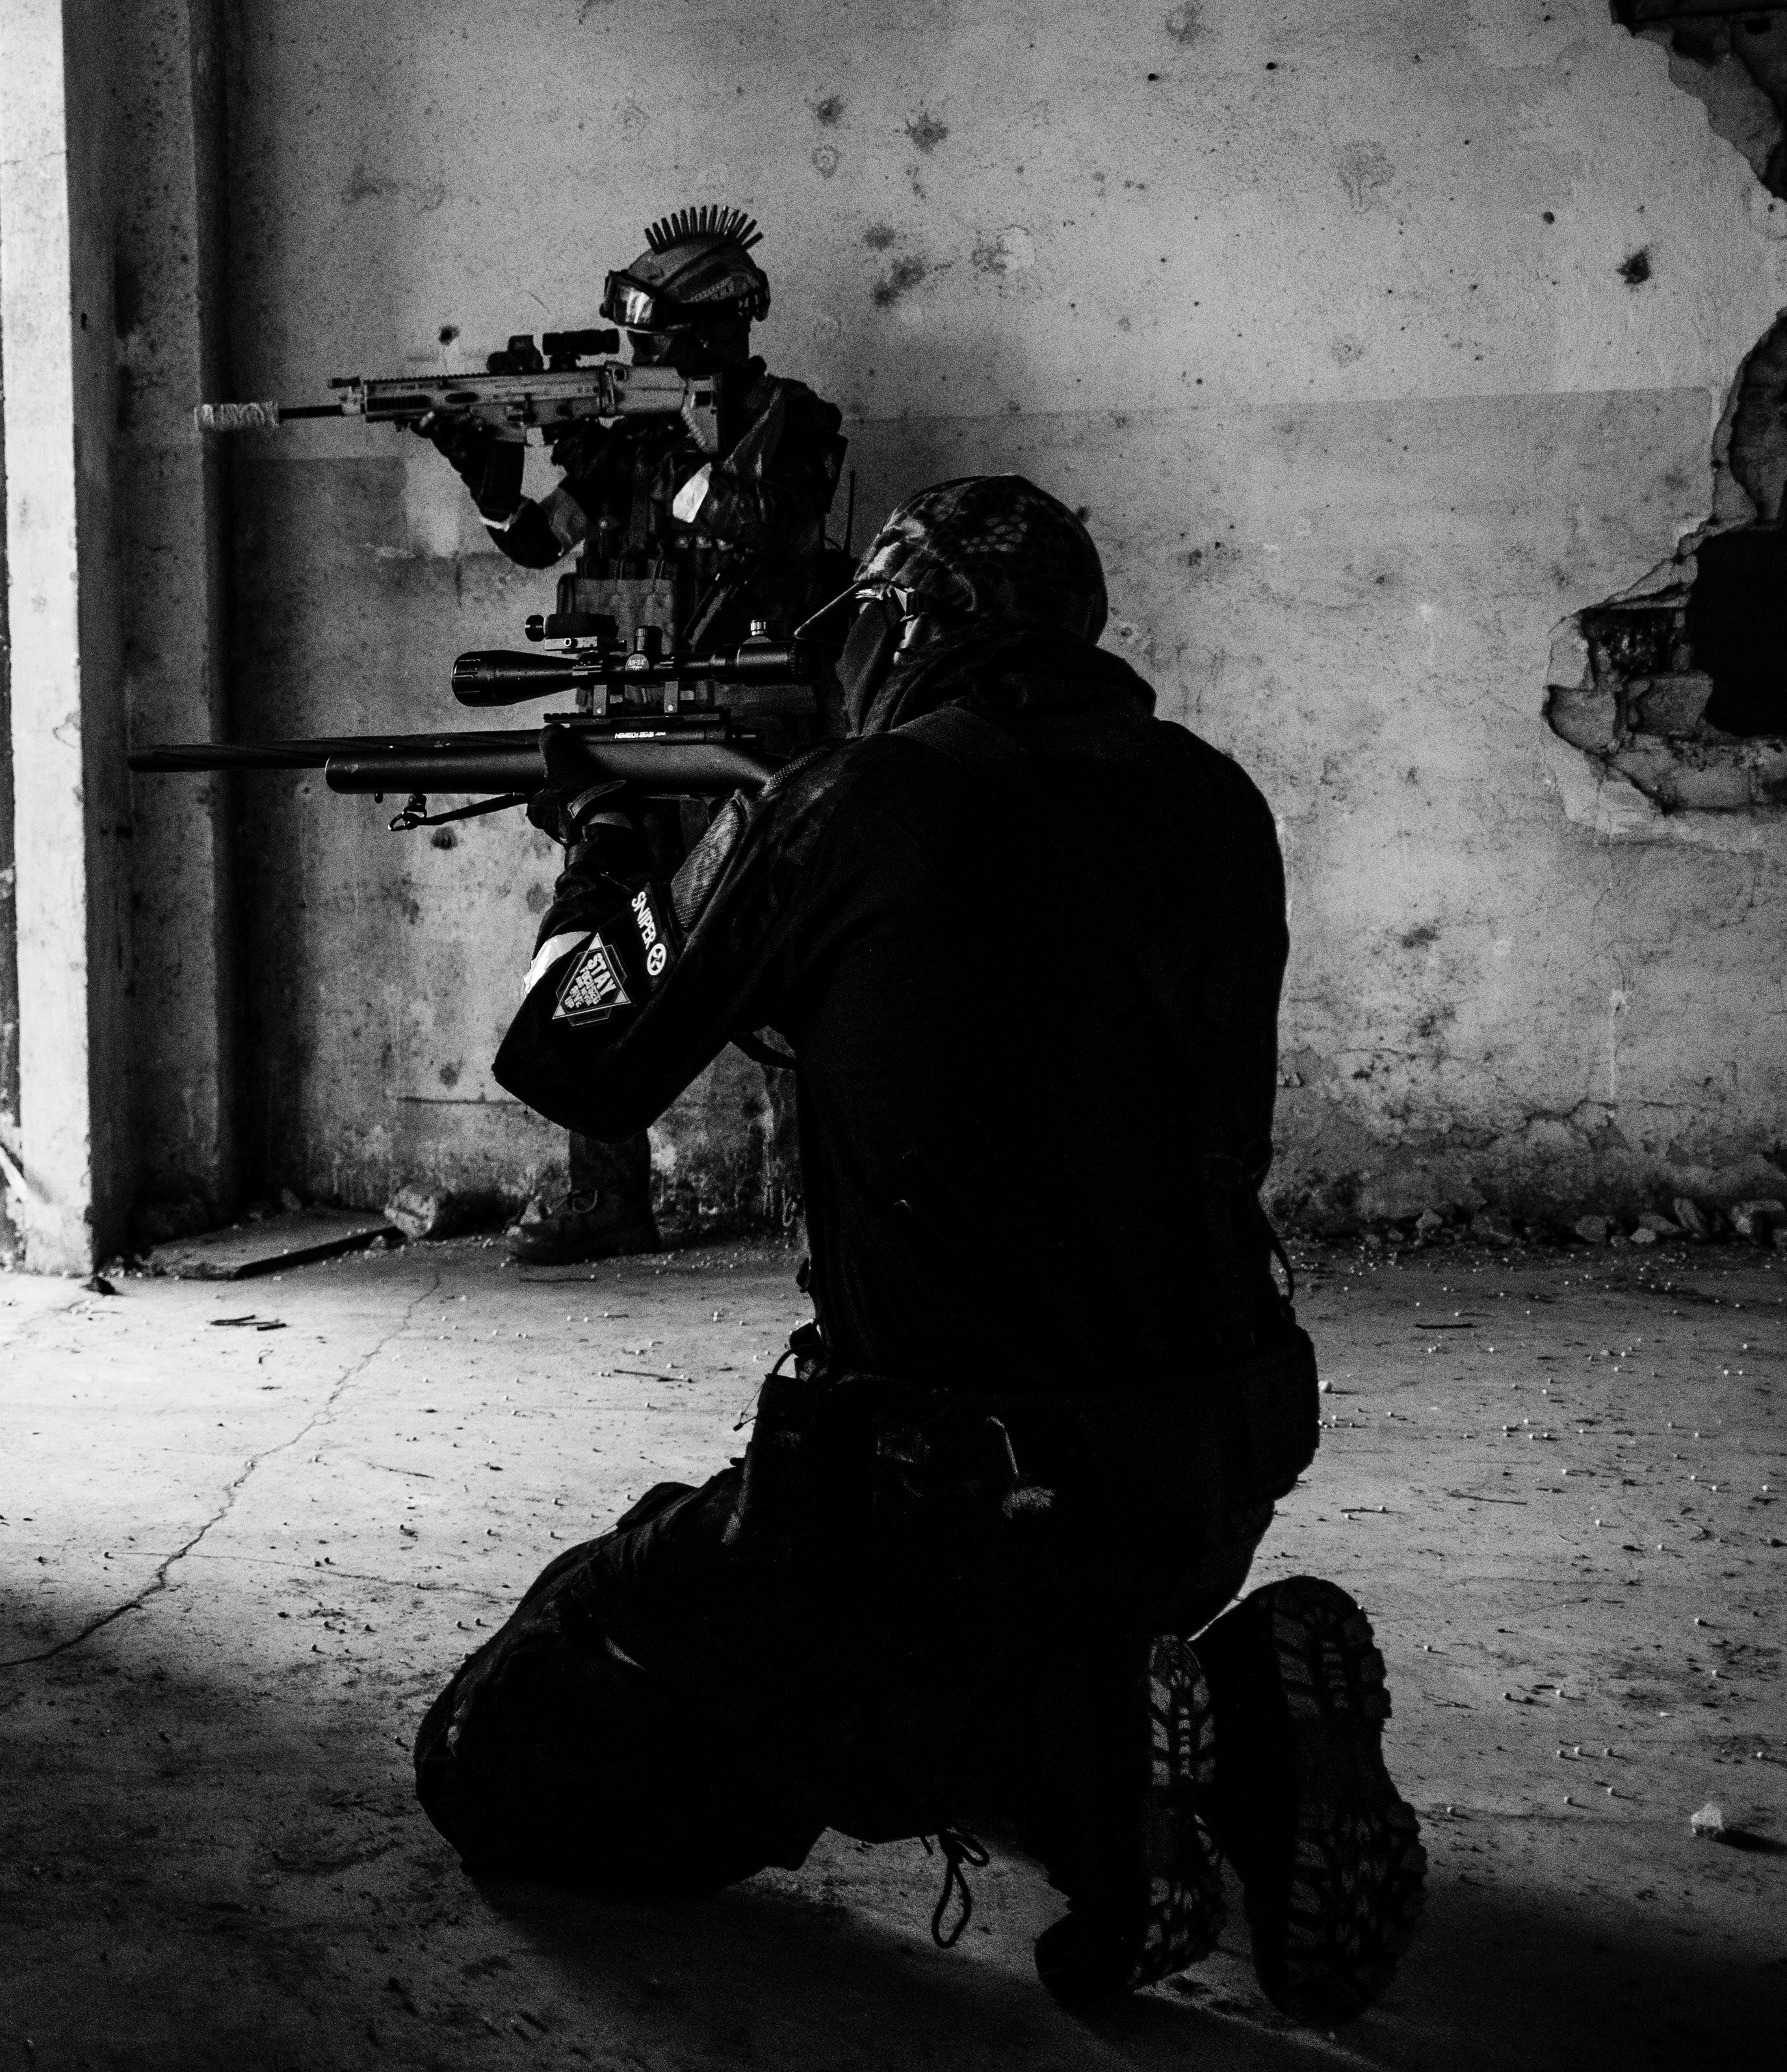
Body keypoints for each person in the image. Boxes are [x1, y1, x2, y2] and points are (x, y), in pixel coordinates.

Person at [408, 476, 1426, 2023]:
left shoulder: (843, 803)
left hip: (918, 1495)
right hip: (1205, 1466)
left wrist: (611, 858)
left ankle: (1097, 1790)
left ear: (906, 621)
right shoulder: (1216, 802)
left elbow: (569, 1057)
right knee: (995, 1635)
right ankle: (1218, 1716)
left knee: (500, 1753)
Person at [414, 205, 848, 1266]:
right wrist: (492, 478)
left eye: (657, 340)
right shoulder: (622, 443)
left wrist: (670, 459)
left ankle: (825, 1202)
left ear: (714, 335)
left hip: (753, 734)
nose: (639, 356)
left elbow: (775, 526)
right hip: (628, 728)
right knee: (586, 952)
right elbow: (535, 540)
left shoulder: (798, 420)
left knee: (792, 969)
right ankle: (607, 1197)